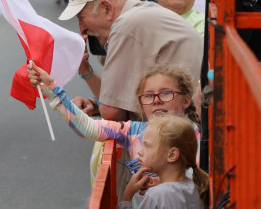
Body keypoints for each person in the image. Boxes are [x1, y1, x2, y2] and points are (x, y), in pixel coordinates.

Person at [59, 0, 202, 122]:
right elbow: (115, 103)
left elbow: (111, 113)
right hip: (185, 127)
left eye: (82, 19)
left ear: (107, 8)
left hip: (175, 132)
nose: (82, 29)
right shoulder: (141, 14)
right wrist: (86, 71)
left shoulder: (126, 25)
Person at [27, 61, 200, 185]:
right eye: (148, 96)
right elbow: (89, 128)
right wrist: (52, 89)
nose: (156, 101)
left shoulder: (200, 139)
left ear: (186, 100)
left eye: (166, 93)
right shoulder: (133, 131)